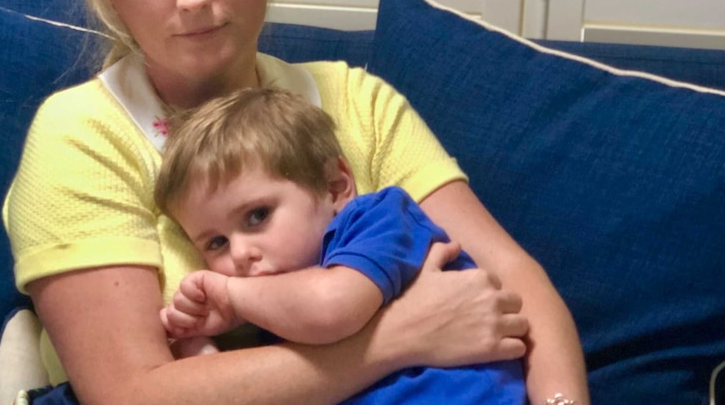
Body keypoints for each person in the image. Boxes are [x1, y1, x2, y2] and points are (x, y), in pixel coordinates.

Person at [2, 0, 590, 404]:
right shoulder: (81, 135)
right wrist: (401, 337)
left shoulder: (356, 102)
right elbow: (127, 393)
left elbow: (512, 276)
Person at [156, 87, 527, 404]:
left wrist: (231, 296)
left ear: (335, 187)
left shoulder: (378, 219)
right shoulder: (277, 309)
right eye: (217, 242)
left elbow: (331, 308)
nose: (239, 254)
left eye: (257, 216)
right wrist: (195, 339)